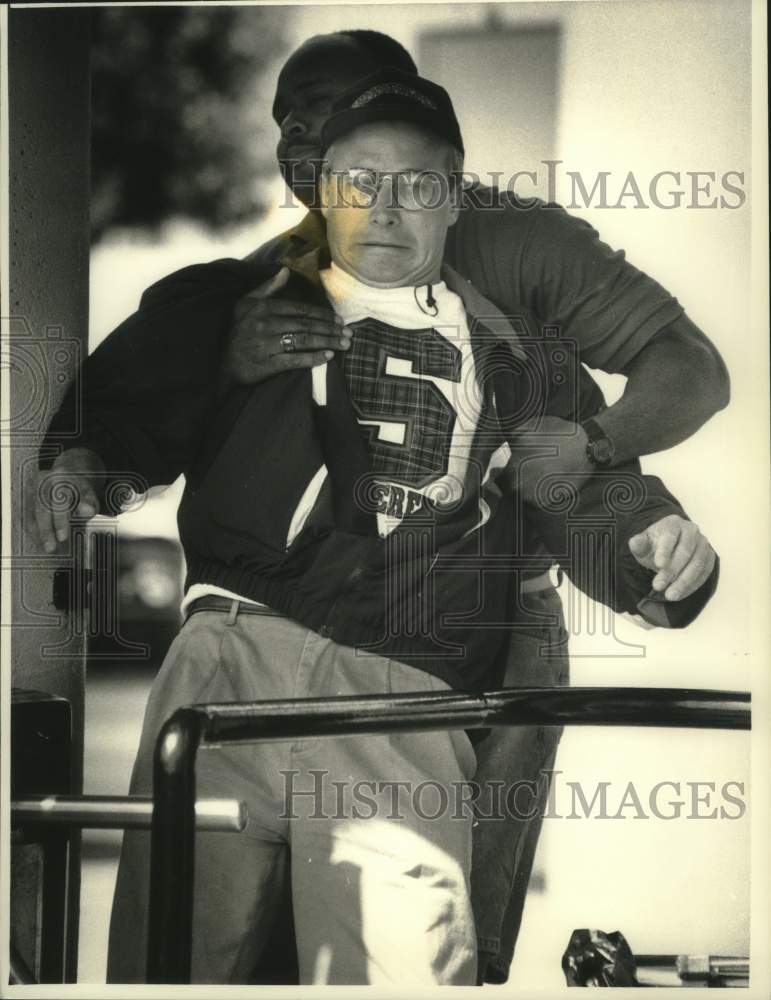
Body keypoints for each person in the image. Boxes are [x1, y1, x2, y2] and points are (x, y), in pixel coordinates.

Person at [31, 32, 724, 986]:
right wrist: (80, 463)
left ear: (455, 191)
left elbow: (607, 483)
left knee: (408, 964)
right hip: (231, 664)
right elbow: (128, 413)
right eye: (353, 174)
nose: (385, 203)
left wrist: (657, 551)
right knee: (173, 967)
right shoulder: (231, 299)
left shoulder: (521, 327)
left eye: (415, 181)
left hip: (409, 679)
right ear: (317, 180)